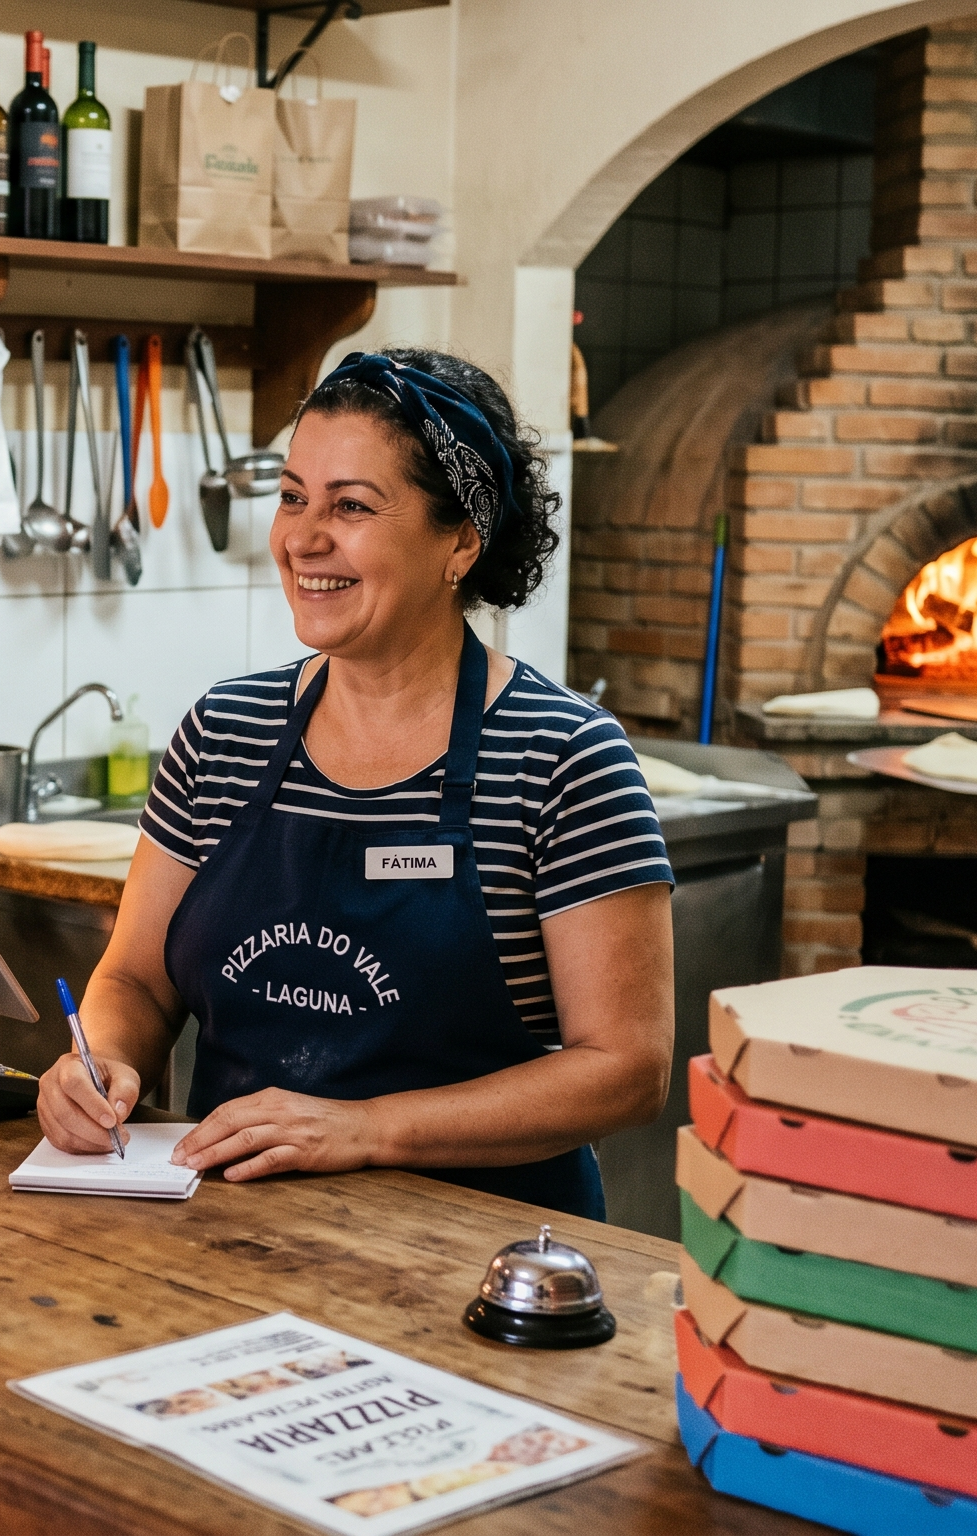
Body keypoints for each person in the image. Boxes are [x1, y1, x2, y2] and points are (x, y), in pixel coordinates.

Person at [34, 349, 676, 1218]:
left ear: (461, 541)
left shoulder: (562, 756)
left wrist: (368, 1129)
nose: (303, 537)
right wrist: (99, 1062)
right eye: (294, 497)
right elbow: (137, 982)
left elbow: (626, 1070)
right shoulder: (225, 732)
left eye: (353, 506)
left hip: (484, 1263)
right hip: (229, 1238)